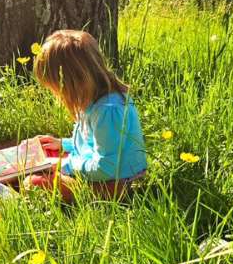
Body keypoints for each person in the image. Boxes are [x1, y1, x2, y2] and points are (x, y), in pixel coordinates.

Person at [27, 30, 147, 202]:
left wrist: (65, 166)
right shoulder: (93, 99)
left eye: (56, 89)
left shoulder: (108, 110)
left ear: (71, 83)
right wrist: (62, 144)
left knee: (34, 182)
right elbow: (92, 143)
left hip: (117, 185)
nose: (56, 95)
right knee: (44, 161)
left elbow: (106, 167)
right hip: (105, 175)